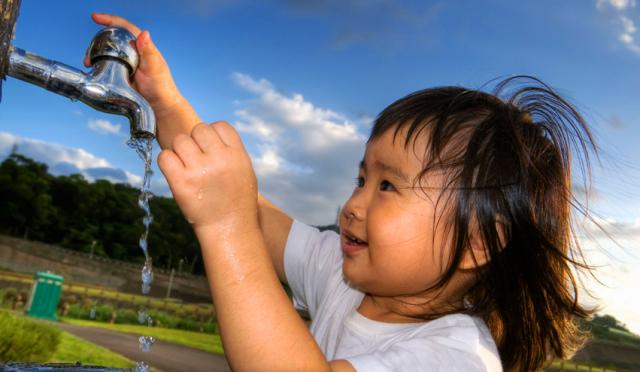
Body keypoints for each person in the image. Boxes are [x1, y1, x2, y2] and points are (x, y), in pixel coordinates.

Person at [86, 13, 597, 371]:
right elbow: (253, 214)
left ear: (479, 242)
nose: (352, 205)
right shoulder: (342, 274)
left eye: (388, 185)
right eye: (361, 180)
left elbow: (238, 221)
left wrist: (224, 227)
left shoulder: (457, 356)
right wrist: (165, 101)